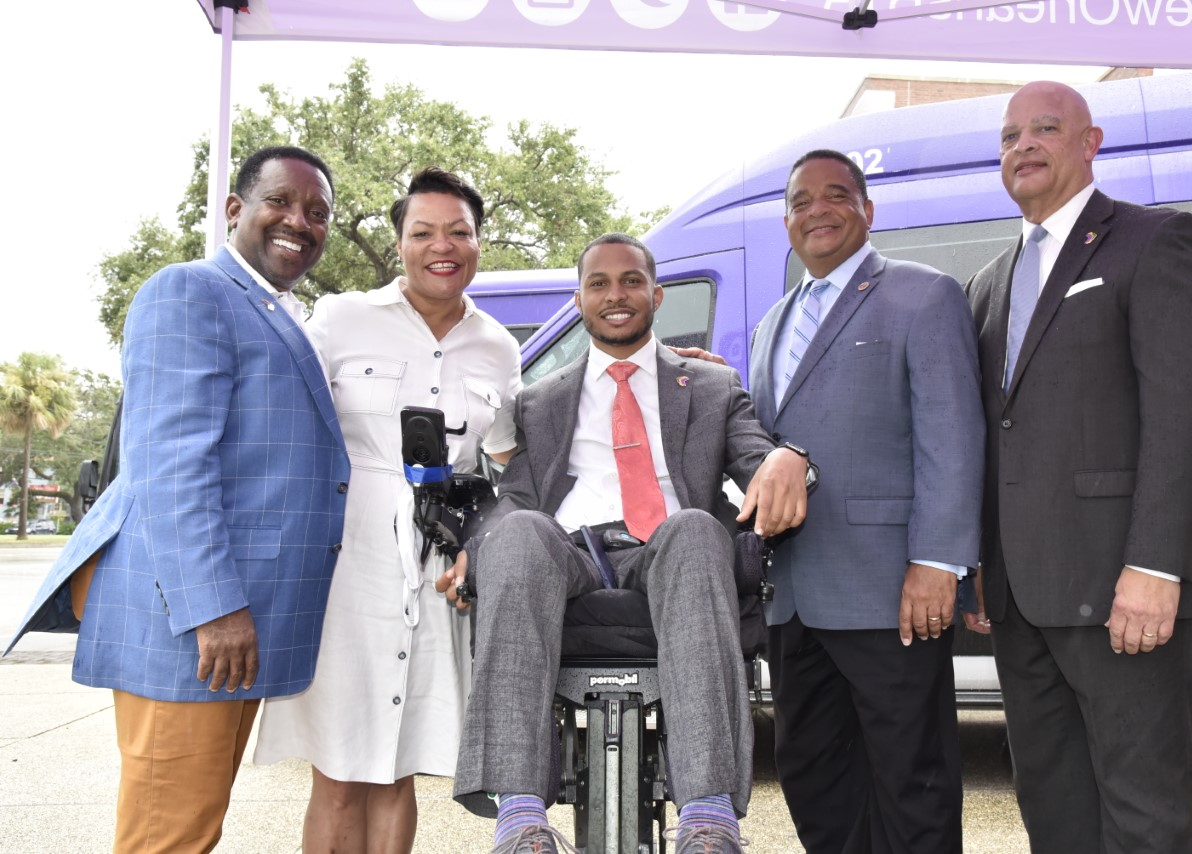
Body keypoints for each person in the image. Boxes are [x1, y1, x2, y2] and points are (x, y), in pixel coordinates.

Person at [5, 146, 349, 851]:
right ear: (234, 210)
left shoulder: (272, 307)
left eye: (317, 213)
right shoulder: (189, 291)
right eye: (280, 201)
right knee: (167, 838)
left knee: (191, 829)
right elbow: (168, 464)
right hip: (190, 622)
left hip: (232, 625)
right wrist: (213, 606)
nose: (299, 221)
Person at [436, 232, 811, 854]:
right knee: (518, 531)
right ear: (580, 299)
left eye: (631, 281)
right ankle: (521, 817)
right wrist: (482, 542)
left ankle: (710, 817)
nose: (617, 294)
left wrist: (785, 461)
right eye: (599, 283)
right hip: (572, 549)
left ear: (656, 294)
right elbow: (520, 495)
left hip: (669, 549)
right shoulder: (542, 399)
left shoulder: (711, 387)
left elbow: (757, 463)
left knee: (696, 527)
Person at [964, 82, 1192, 854]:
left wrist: (1155, 566)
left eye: (1046, 128)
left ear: (1092, 141)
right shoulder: (990, 282)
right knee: (1053, 805)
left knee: (1143, 811)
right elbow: (993, 432)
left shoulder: (1156, 240)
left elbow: (1183, 419)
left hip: (1123, 592)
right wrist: (982, 561)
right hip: (1019, 597)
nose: (1025, 146)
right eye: (1011, 136)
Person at [253, 167, 522, 853]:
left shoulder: (498, 345)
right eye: (424, 231)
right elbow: (283, 417)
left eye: (459, 232)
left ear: (478, 243)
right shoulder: (342, 318)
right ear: (400, 242)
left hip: (437, 568)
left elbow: (513, 459)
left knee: (397, 771)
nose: (443, 245)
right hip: (349, 563)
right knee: (340, 770)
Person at [747, 150, 985, 853]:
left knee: (912, 779)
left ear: (867, 209)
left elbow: (952, 434)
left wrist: (939, 561)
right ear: (786, 220)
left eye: (835, 195)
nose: (816, 209)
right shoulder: (772, 325)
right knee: (814, 776)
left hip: (890, 591)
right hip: (792, 597)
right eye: (800, 200)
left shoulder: (922, 294)